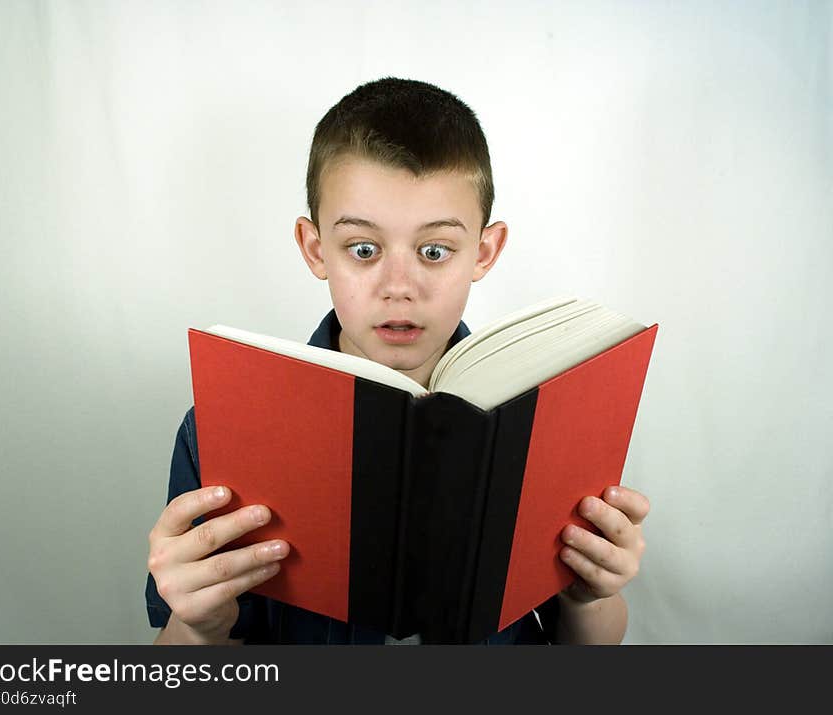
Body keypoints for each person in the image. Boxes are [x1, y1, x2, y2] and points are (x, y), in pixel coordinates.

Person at [145, 77, 650, 645]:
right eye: (364, 249)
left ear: (483, 252)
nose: (399, 286)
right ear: (316, 250)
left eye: (434, 251)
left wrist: (595, 595)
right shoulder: (222, 428)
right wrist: (197, 624)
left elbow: (588, 650)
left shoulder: (546, 416)